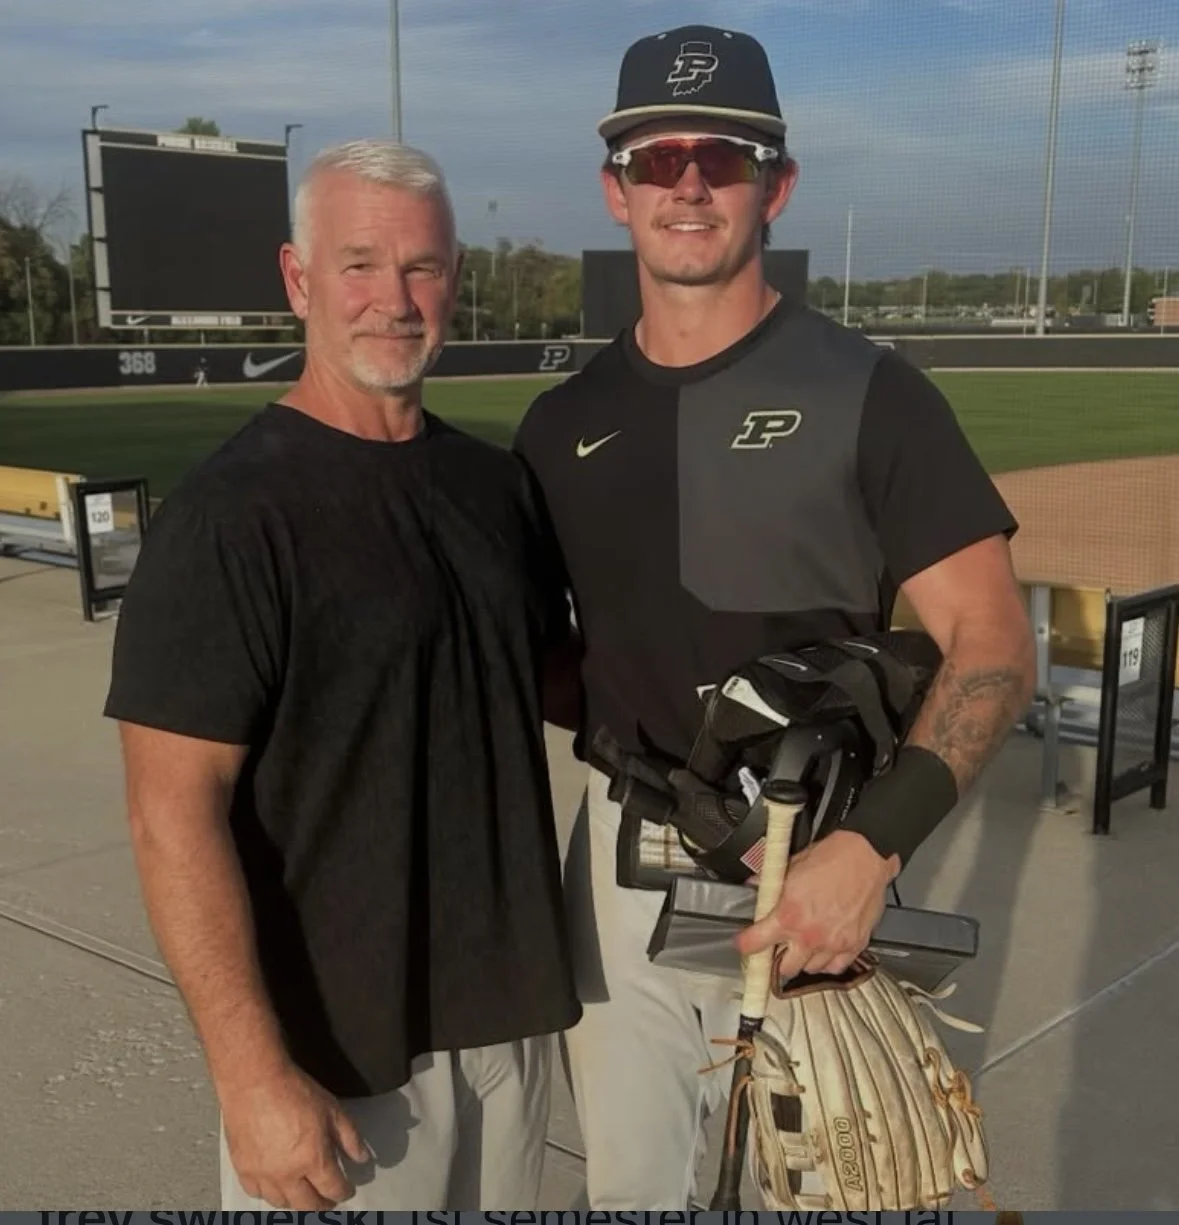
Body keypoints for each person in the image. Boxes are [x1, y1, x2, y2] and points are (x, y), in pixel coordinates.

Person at [512, 24, 1037, 1210]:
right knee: (635, 1188)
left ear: (776, 184)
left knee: (836, 1190)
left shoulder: (872, 393)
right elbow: (549, 658)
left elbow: (996, 639)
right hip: (627, 860)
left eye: (724, 156)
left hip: (825, 864)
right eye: (657, 159)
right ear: (616, 190)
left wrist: (872, 848)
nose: (689, 182)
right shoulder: (560, 424)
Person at [103, 139, 581, 1212]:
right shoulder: (231, 517)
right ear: (299, 276)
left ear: (456, 277)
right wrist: (249, 1073)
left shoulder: (494, 486)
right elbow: (169, 814)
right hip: (337, 1062)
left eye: (422, 267)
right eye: (361, 263)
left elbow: (554, 683)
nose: (395, 300)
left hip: (507, 1025)